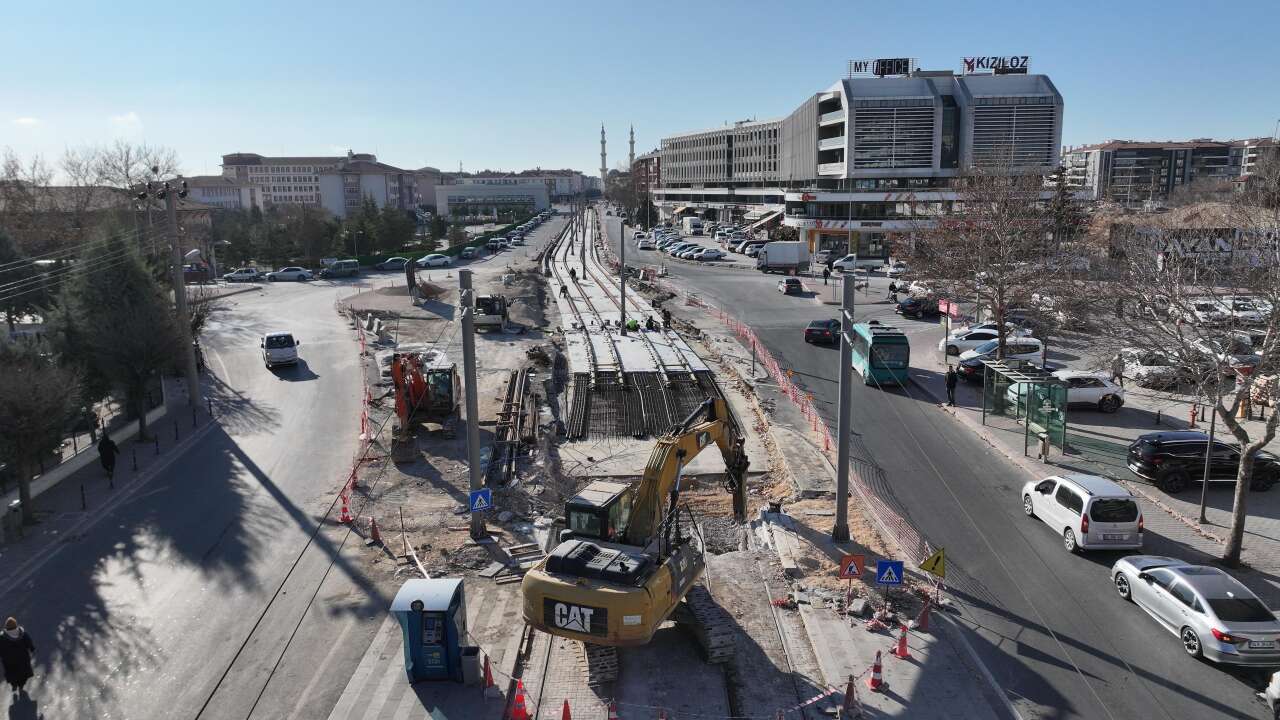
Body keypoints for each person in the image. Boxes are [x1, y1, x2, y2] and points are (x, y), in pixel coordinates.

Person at [0, 617, 35, 694]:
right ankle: (21, 685)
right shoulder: (23, 634)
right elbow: (29, 642)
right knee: (23, 673)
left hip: (9, 660)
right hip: (23, 658)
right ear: (16, 624)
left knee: (12, 673)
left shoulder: (2, 637)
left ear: (6, 626)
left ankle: (14, 684)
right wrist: (32, 649)